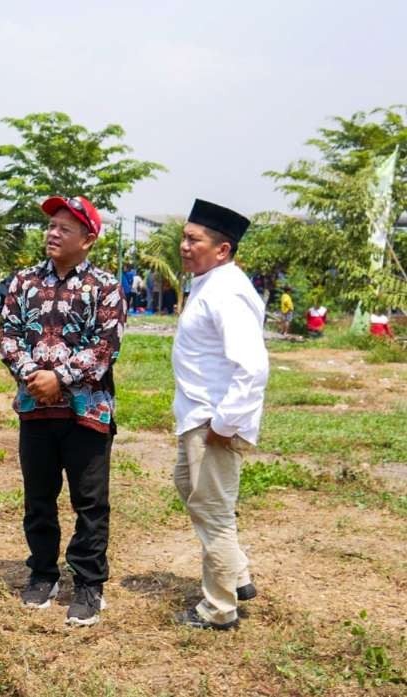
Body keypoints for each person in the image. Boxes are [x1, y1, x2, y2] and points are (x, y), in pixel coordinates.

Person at [0, 196, 125, 627]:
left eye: (63, 228)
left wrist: (62, 378)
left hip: (86, 413)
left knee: (90, 502)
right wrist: (35, 374)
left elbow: (106, 346)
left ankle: (89, 583)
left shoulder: (105, 287)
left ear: (88, 239)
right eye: (50, 225)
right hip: (35, 410)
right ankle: (43, 572)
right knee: (38, 499)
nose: (52, 233)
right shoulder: (23, 282)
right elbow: (7, 336)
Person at [172, 199, 268, 630]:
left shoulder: (227, 290)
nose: (184, 245)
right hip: (197, 416)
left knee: (213, 511)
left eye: (194, 239)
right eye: (185, 236)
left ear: (222, 249)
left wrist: (224, 425)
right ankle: (239, 575)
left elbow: (252, 366)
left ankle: (219, 608)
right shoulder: (209, 282)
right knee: (188, 487)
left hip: (213, 422)